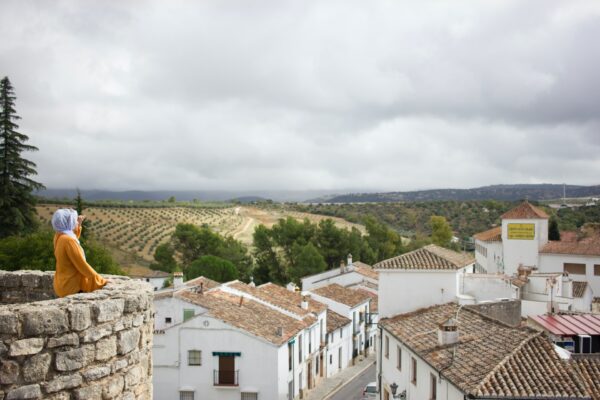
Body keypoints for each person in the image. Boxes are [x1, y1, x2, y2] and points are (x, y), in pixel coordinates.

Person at [52, 208, 107, 297]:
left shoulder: (59, 236)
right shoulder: (68, 241)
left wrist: (78, 224)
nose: (76, 222)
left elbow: (71, 239)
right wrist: (100, 280)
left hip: (62, 283)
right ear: (68, 223)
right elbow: (81, 264)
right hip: (71, 286)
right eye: (73, 220)